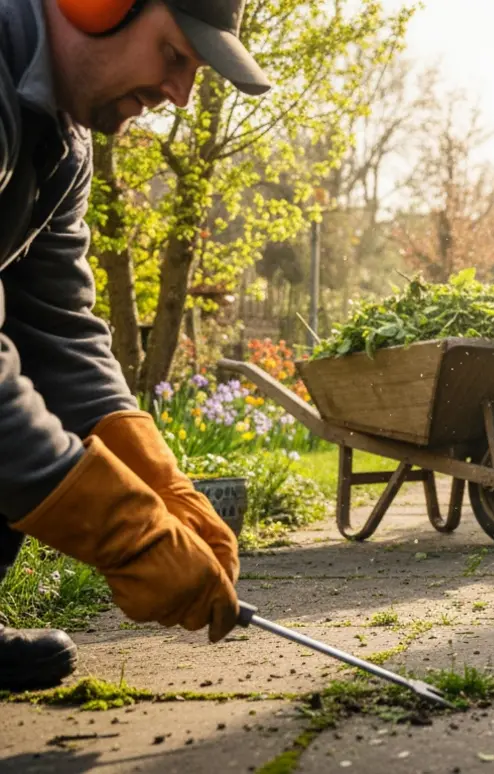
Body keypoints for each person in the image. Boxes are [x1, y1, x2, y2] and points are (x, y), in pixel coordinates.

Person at [0, 0, 272, 692]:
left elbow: (57, 323)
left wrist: (159, 482)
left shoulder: (63, 145)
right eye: (175, 56)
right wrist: (126, 531)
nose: (178, 94)